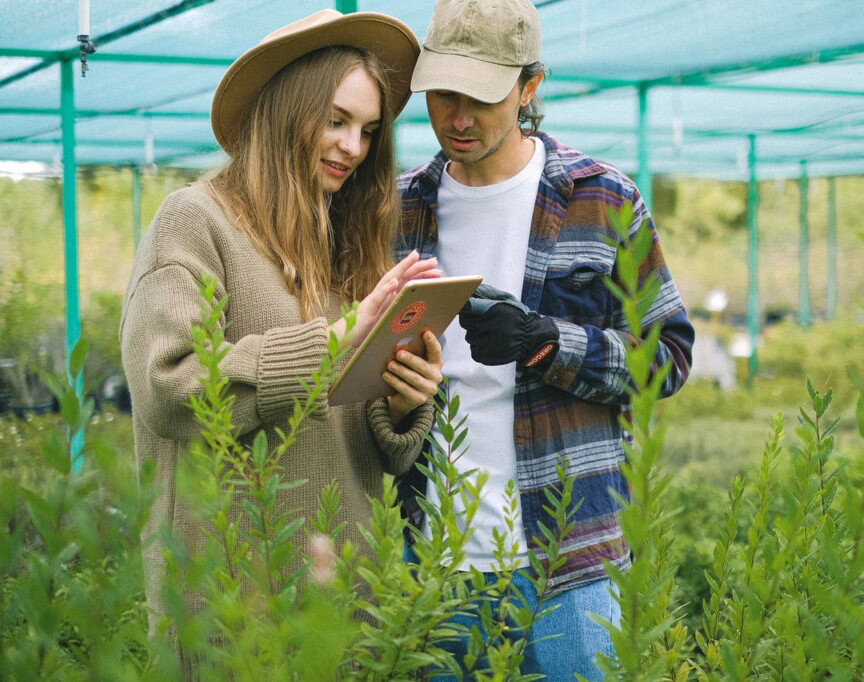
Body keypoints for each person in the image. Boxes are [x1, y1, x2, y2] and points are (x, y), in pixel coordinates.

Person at [120, 9, 443, 638]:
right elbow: (170, 386)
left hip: (346, 602)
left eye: (369, 131)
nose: (354, 147)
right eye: (336, 120)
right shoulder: (194, 222)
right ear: (286, 112)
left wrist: (402, 404)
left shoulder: (341, 239)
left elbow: (350, 429)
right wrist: (335, 340)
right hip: (230, 606)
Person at [395, 0, 695, 678]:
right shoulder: (399, 208)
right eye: (443, 94)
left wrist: (545, 343)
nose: (458, 118)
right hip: (435, 561)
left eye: (481, 97)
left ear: (530, 88)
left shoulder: (604, 200)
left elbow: (668, 359)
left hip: (571, 562)